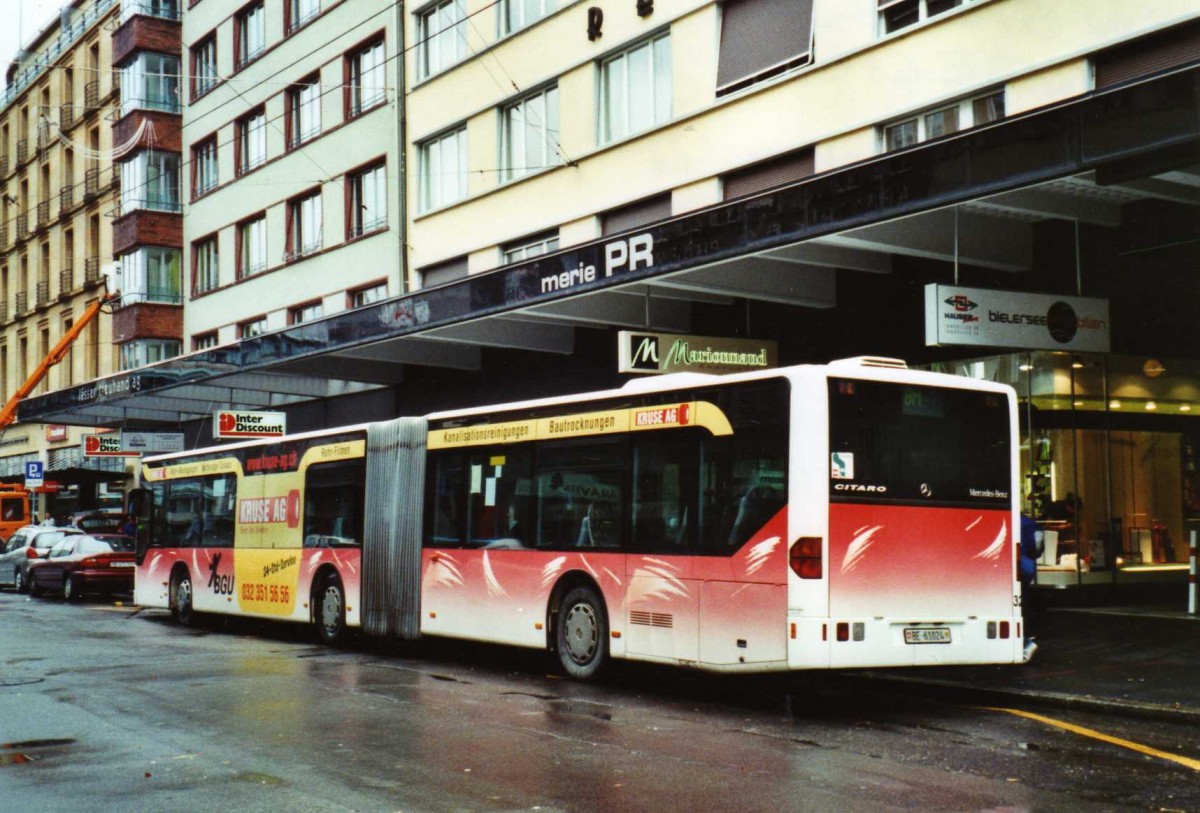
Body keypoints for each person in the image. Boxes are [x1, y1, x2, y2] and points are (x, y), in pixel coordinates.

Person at [1019, 513, 1042, 661]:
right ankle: (1025, 640)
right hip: (1025, 567)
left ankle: (1025, 642)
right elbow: (1038, 547)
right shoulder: (1030, 523)